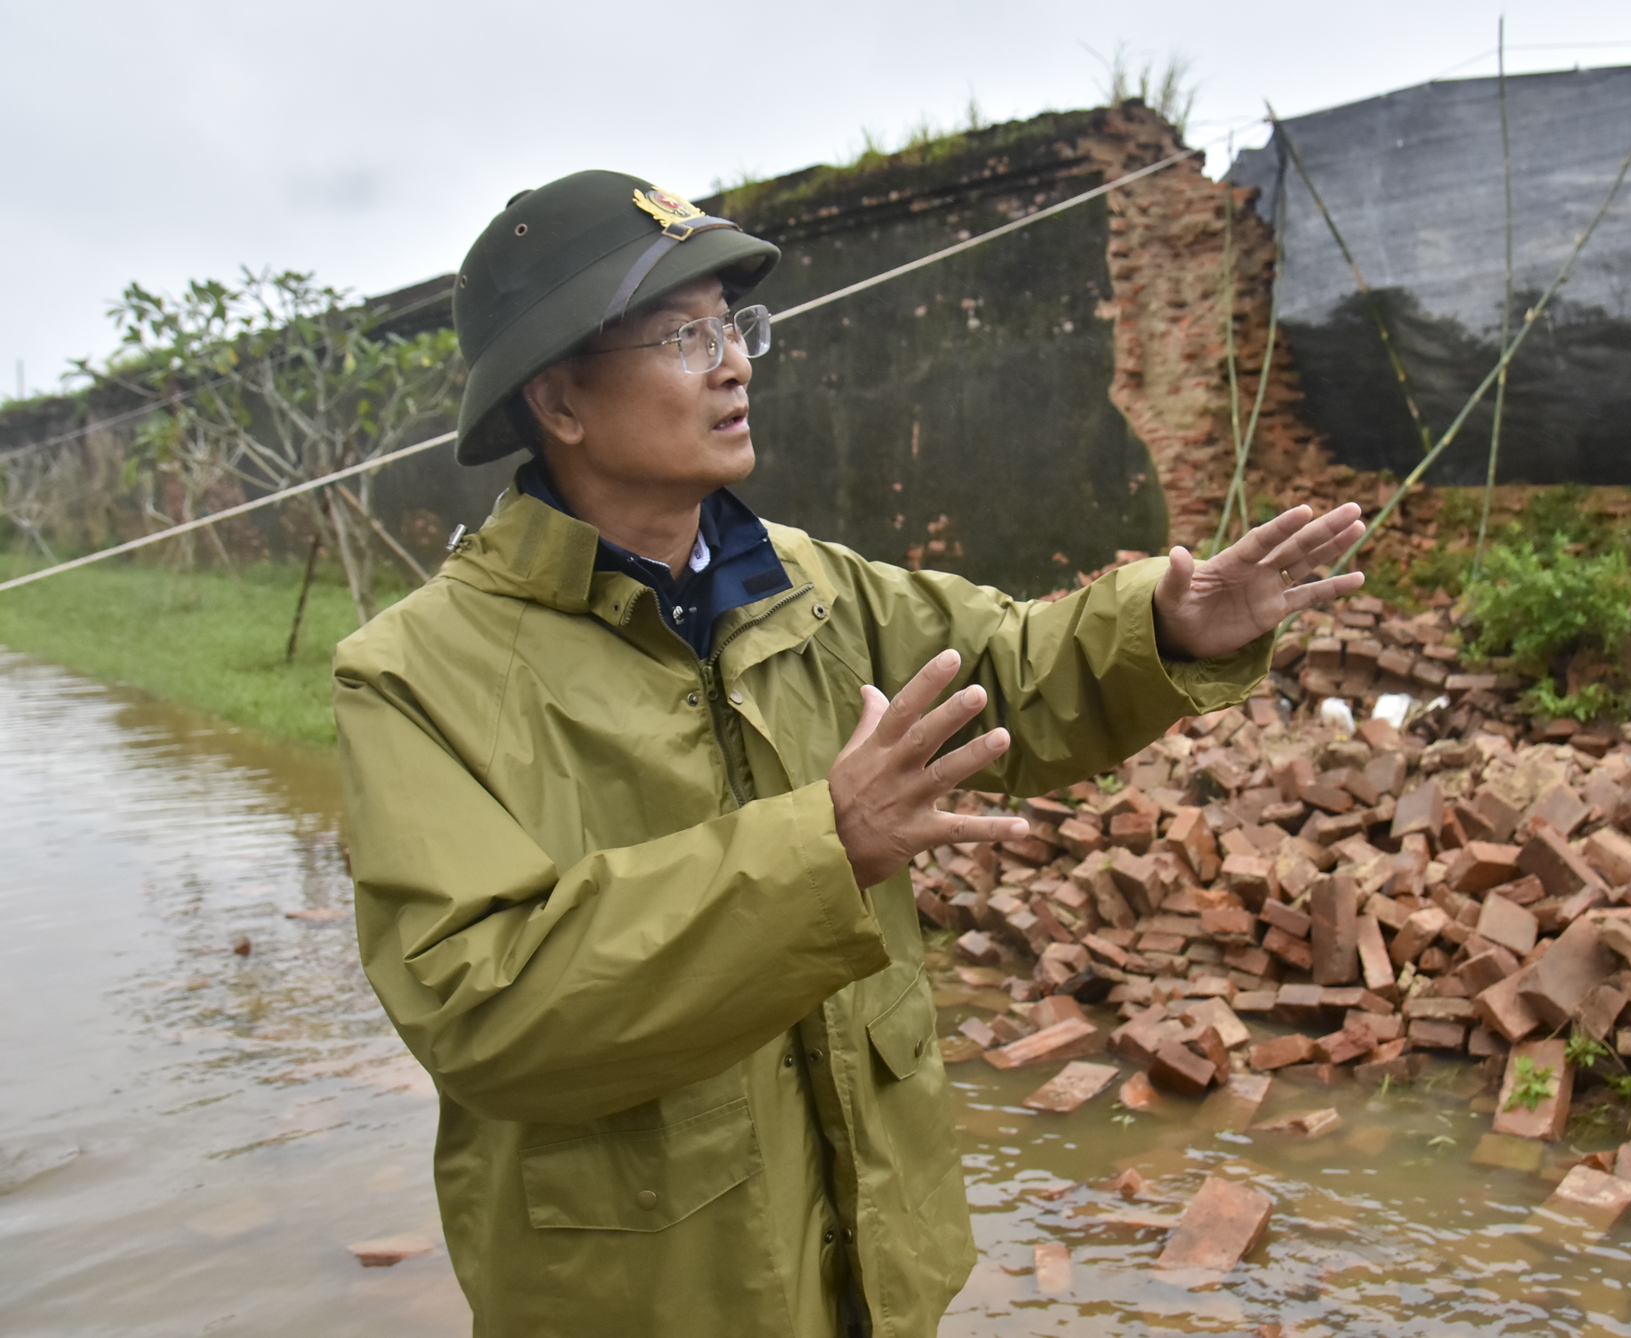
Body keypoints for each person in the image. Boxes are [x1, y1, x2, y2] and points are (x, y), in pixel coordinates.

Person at [333, 168, 1365, 1338]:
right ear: (559, 400)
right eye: (684, 335)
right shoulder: (416, 676)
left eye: (735, 325)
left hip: (872, 1267)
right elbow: (488, 1010)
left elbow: (1009, 675)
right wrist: (825, 845)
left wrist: (1165, 627)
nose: (734, 364)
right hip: (647, 1295)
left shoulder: (803, 585)